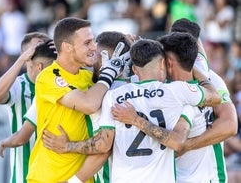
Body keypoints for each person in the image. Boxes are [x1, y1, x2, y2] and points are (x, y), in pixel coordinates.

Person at [42, 38, 221, 182]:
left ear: (135, 69)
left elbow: (103, 145)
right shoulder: (177, 91)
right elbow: (215, 97)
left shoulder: (113, 96)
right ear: (162, 64)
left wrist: (67, 146)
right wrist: (197, 69)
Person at [26, 17, 128, 183]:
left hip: (80, 179)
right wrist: (108, 73)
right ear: (67, 47)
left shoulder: (88, 77)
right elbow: (89, 104)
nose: (94, 47)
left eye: (93, 41)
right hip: (48, 177)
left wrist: (129, 47)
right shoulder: (48, 76)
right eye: (87, 43)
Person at [168, 18, 237, 182]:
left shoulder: (211, 79)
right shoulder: (163, 80)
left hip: (209, 176)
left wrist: (188, 144)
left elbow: (230, 125)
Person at [0, 32, 52, 183]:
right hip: (23, 175)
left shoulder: (59, 83)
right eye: (38, 46)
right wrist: (20, 60)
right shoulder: (19, 85)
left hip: (54, 173)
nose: (43, 48)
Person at [0, 40, 57, 158]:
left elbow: (20, 138)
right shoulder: (18, 84)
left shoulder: (54, 89)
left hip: (49, 169)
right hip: (26, 170)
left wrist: (4, 142)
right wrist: (20, 60)